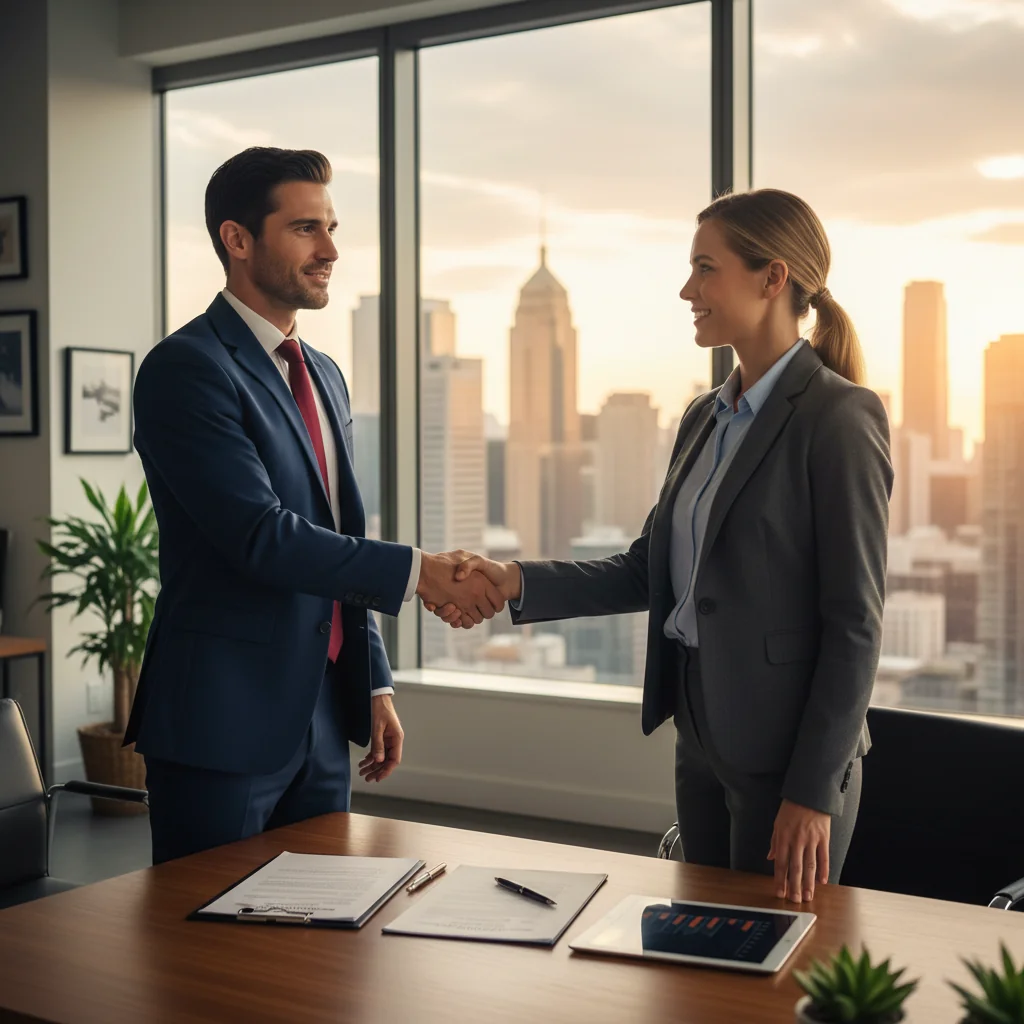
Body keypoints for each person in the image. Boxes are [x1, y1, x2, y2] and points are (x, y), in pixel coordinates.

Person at [435, 189, 893, 904]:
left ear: (772, 278)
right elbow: (649, 570)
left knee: (766, 981)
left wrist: (811, 791)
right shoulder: (703, 419)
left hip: (790, 757)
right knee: (700, 966)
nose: (688, 290)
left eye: (705, 269)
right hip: (701, 737)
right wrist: (512, 579)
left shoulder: (838, 417)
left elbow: (856, 624)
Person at [127, 147, 503, 864]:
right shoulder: (187, 370)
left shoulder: (324, 374)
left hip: (327, 714)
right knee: (210, 952)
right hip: (223, 722)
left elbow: (337, 539)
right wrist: (421, 571)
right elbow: (262, 538)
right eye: (306, 229)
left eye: (331, 228)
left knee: (323, 948)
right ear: (237, 240)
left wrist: (375, 681)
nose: (331, 249)